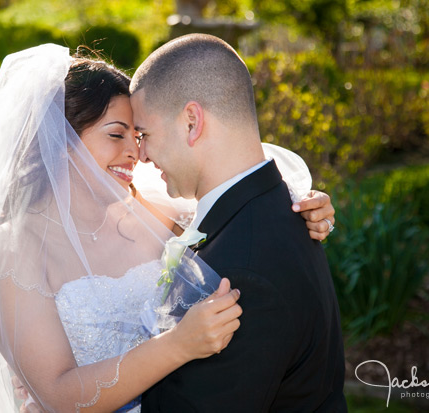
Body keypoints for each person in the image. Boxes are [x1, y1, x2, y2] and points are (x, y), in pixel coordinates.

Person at [0, 43, 336, 413]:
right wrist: (177, 346)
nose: (137, 152)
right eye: (117, 134)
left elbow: (241, 188)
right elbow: (59, 395)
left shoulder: (155, 210)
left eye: (140, 134)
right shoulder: (11, 250)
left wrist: (306, 205)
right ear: (58, 141)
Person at [130, 34, 347, 412]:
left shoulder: (239, 274)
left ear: (192, 121)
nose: (141, 155)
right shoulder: (281, 205)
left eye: (144, 134)